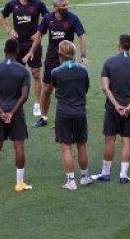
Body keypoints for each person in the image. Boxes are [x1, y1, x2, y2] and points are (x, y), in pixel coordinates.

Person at [23, 0, 87, 128]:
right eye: (63, 5)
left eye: (66, 5)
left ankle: (69, 117)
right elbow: (39, 35)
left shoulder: (73, 18)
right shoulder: (48, 18)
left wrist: (83, 54)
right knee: (46, 90)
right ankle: (44, 117)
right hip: (52, 59)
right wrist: (31, 51)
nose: (66, 7)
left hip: (68, 60)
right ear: (55, 7)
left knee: (68, 89)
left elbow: (81, 36)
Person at [91, 34, 130, 184]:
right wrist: (129, 106)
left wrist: (116, 105)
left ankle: (105, 173)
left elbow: (104, 87)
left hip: (112, 108)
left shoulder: (109, 63)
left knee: (110, 139)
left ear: (119, 44)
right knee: (126, 140)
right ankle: (123, 175)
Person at [0, 39, 32, 192]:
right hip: (16, 114)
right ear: (17, 52)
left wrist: (2, 112)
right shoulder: (23, 71)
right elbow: (24, 96)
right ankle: (19, 183)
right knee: (18, 146)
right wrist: (12, 112)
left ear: (4, 51)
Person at [0, 0, 48, 118]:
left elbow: (48, 19)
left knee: (36, 73)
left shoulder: (38, 4)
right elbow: (2, 16)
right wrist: (9, 31)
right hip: (18, 44)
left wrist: (40, 33)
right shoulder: (12, 4)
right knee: (16, 73)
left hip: (34, 44)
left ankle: (37, 104)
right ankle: (14, 101)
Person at [51, 40, 93, 190]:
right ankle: (85, 177)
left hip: (63, 113)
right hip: (79, 112)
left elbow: (56, 86)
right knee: (81, 145)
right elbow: (86, 88)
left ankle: (71, 181)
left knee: (66, 147)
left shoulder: (55, 72)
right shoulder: (83, 70)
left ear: (60, 54)